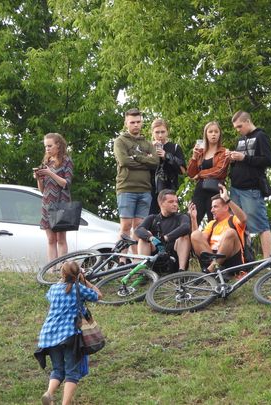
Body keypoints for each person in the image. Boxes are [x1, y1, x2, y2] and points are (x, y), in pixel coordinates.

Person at [35, 261, 102, 405]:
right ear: (78, 274)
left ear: (62, 274)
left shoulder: (53, 289)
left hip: (49, 334)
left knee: (58, 369)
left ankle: (49, 393)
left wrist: (68, 278)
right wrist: (86, 281)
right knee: (72, 372)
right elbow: (99, 295)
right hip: (70, 335)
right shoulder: (80, 289)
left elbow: (52, 295)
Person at [229, 111, 271, 259]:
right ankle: (244, 259)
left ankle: (267, 260)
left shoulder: (261, 136)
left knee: (261, 225)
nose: (238, 130)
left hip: (252, 188)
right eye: (236, 127)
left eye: (239, 126)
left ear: (248, 121)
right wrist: (232, 159)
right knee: (239, 226)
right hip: (235, 188)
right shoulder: (241, 139)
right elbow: (242, 161)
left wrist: (244, 158)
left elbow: (268, 160)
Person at [113, 108, 159, 251]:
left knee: (139, 228)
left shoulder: (148, 144)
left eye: (138, 122)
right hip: (126, 188)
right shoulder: (120, 141)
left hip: (145, 189)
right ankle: (121, 259)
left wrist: (136, 157)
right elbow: (124, 161)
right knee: (125, 226)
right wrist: (145, 160)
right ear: (126, 123)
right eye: (132, 122)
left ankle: (136, 260)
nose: (136, 125)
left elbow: (155, 162)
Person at [190, 184, 247, 273]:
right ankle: (214, 268)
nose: (211, 210)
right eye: (211, 207)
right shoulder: (212, 224)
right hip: (212, 258)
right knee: (195, 234)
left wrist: (227, 199)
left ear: (226, 207)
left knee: (230, 232)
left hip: (231, 261)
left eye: (215, 207)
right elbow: (199, 242)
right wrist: (193, 219)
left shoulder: (233, 219)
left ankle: (211, 270)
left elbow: (243, 219)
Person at [35, 133, 74, 262]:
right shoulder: (46, 162)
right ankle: (52, 269)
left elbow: (66, 183)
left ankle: (63, 268)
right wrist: (39, 179)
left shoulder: (66, 160)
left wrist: (50, 173)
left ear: (58, 145)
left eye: (50, 146)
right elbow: (42, 190)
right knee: (51, 240)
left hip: (61, 203)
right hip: (47, 203)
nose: (47, 149)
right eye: (45, 146)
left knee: (61, 239)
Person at [135, 189, 191, 273]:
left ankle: (181, 272)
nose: (175, 204)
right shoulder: (152, 218)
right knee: (145, 236)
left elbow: (186, 227)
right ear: (161, 203)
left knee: (184, 236)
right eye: (171, 202)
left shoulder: (182, 217)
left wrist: (166, 238)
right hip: (157, 255)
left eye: (176, 201)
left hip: (175, 258)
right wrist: (151, 238)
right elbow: (138, 230)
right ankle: (144, 272)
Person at [187, 121, 230, 225]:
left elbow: (219, 170)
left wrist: (200, 174)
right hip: (200, 189)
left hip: (216, 189)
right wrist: (194, 157)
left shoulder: (224, 152)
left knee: (216, 221)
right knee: (192, 219)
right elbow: (191, 174)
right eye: (210, 132)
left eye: (216, 131)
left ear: (220, 134)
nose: (213, 134)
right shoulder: (201, 152)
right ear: (206, 134)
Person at [149, 118, 186, 215]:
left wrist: (167, 156)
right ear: (152, 133)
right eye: (157, 132)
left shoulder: (175, 147)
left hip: (169, 189)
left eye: (163, 132)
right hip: (150, 191)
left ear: (167, 132)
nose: (160, 135)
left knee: (170, 218)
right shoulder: (147, 147)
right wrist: (150, 152)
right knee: (151, 218)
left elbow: (183, 170)